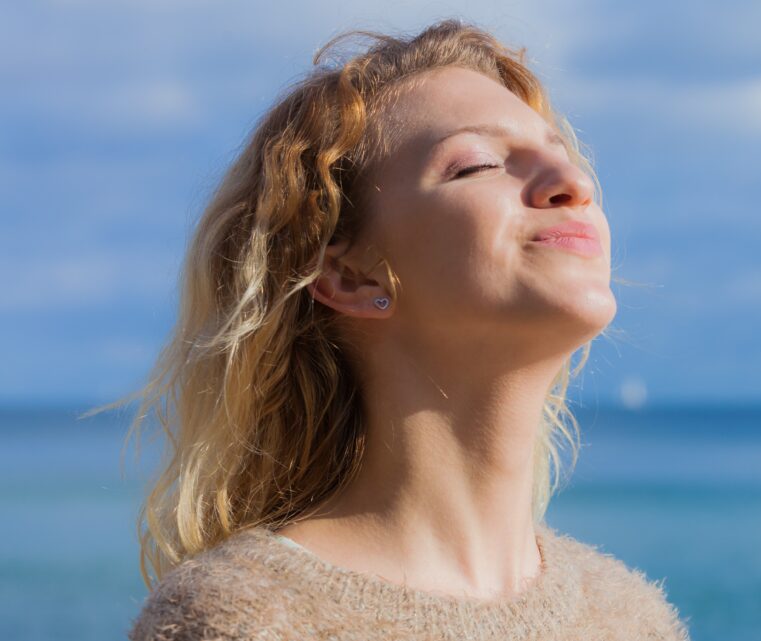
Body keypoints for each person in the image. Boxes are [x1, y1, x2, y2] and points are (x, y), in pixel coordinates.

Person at [125, 19, 690, 641]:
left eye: (562, 154)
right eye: (476, 165)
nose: (575, 185)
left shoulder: (628, 618)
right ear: (346, 275)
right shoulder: (246, 619)